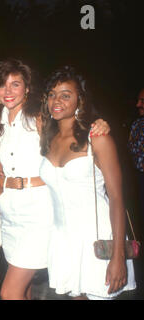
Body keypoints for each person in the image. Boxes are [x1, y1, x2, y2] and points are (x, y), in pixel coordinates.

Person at [0, 59, 109, 300]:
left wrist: (98, 122)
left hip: (37, 215)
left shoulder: (38, 118)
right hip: (10, 215)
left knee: (10, 292)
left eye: (15, 84)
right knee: (26, 289)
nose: (7, 91)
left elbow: (71, 127)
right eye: (2, 85)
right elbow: (1, 166)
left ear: (27, 89)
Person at [39, 66, 136, 299]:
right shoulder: (46, 136)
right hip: (64, 240)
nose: (57, 100)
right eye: (52, 94)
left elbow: (116, 198)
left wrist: (118, 256)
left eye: (66, 94)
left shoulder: (98, 139)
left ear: (80, 99)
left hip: (97, 238)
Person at [128, 88, 144, 219]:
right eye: (138, 101)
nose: (138, 105)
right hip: (138, 180)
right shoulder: (137, 125)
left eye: (142, 101)